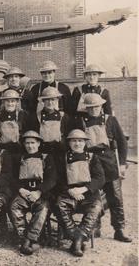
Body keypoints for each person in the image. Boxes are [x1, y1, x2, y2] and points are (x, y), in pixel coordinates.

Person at [76, 93, 132, 242]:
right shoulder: (82, 121)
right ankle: (95, 227)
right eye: (91, 107)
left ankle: (119, 229)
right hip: (92, 163)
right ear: (86, 108)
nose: (94, 109)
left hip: (109, 163)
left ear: (101, 106)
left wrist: (122, 164)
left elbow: (122, 143)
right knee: (94, 195)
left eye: (97, 106)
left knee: (115, 197)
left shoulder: (110, 120)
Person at [55, 129, 105, 257]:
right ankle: (76, 236)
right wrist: (70, 190)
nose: (77, 144)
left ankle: (79, 238)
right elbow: (58, 178)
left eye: (80, 141)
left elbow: (100, 178)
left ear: (85, 143)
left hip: (87, 195)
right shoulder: (63, 158)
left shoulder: (93, 157)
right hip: (68, 194)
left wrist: (83, 189)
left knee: (97, 206)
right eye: (74, 141)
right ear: (69, 143)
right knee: (59, 205)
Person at [9, 131, 57, 255]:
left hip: (40, 193)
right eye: (27, 143)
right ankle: (23, 238)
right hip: (24, 192)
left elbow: (52, 179)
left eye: (33, 143)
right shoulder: (18, 158)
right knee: (15, 206)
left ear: (39, 143)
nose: (30, 146)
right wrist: (21, 190)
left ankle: (29, 239)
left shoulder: (47, 157)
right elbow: (12, 177)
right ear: (24, 144)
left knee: (43, 208)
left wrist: (39, 191)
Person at [28, 87, 71, 155]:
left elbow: (67, 135)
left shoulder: (63, 116)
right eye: (47, 100)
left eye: (53, 99)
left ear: (57, 100)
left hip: (60, 152)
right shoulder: (35, 117)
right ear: (43, 101)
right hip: (42, 151)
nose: (50, 102)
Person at [0, 89, 29, 155]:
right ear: (3, 102)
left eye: (12, 101)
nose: (10, 104)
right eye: (7, 101)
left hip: (18, 150)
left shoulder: (23, 114)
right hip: (2, 150)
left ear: (17, 102)